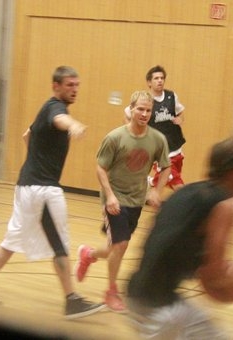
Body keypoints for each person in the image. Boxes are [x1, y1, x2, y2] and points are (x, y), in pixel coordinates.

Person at [0, 66, 105, 320]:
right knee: (59, 243)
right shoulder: (55, 108)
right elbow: (59, 120)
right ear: (56, 86)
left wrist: (35, 161)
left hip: (29, 185)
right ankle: (71, 301)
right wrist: (72, 125)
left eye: (77, 85)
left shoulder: (47, 108)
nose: (74, 89)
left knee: (13, 239)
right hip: (43, 189)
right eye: (69, 85)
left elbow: (26, 135)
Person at [126, 137, 233, 339]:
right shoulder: (225, 206)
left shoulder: (185, 193)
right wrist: (231, 283)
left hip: (136, 295)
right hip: (161, 312)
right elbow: (213, 274)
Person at [74, 90, 171, 313]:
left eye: (148, 110)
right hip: (115, 199)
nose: (144, 114)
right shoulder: (115, 137)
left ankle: (87, 254)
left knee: (113, 249)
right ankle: (111, 293)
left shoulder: (157, 139)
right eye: (140, 109)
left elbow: (166, 166)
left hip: (136, 200)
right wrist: (109, 196)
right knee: (121, 245)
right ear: (131, 109)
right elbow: (100, 167)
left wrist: (157, 191)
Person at [124, 65, 186, 191]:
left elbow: (180, 112)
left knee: (170, 179)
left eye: (162, 78)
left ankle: (152, 181)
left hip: (176, 146)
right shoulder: (145, 100)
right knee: (178, 186)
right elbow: (126, 113)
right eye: (156, 78)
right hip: (160, 150)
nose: (160, 80)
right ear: (149, 82)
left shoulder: (171, 96)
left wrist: (180, 119)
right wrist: (132, 134)